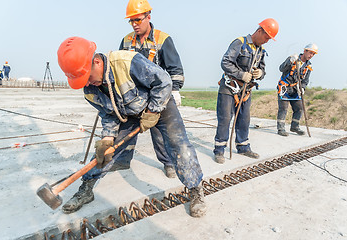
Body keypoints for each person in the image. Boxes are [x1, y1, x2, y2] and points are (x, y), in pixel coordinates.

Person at [57, 36, 206, 218]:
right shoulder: (90, 89)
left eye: (86, 77)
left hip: (160, 104)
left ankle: (196, 189)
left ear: (96, 62)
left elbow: (164, 81)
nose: (86, 84)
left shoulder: (127, 62)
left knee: (178, 145)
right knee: (104, 153)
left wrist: (152, 111)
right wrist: (108, 137)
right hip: (130, 113)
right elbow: (109, 114)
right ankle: (86, 189)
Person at [118, 0, 185, 178]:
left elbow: (175, 68)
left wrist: (175, 90)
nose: (134, 24)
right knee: (125, 129)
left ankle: (168, 163)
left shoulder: (163, 39)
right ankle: (122, 160)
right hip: (132, 95)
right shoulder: (126, 41)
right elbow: (118, 68)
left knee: (160, 132)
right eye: (131, 21)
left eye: (138, 20)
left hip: (155, 94)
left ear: (149, 16)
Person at [213, 18, 279, 163]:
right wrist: (241, 74)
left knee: (244, 119)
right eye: (266, 37)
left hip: (246, 91)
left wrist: (260, 73)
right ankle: (219, 150)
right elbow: (225, 62)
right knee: (225, 119)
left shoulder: (260, 50)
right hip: (229, 88)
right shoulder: (240, 43)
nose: (266, 41)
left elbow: (262, 68)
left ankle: (243, 146)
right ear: (259, 31)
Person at [276, 43, 318, 136]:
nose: (311, 55)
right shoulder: (293, 59)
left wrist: (302, 88)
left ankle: (295, 126)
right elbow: (281, 68)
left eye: (313, 54)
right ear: (305, 51)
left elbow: (305, 80)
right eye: (310, 53)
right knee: (283, 108)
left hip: (295, 89)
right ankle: (281, 129)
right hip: (284, 87)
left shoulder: (308, 67)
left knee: (299, 108)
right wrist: (290, 62)